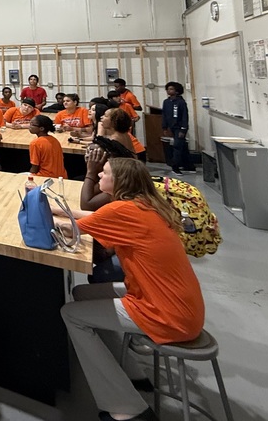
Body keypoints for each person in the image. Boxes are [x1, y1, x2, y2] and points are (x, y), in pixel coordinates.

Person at [57, 158, 204, 421]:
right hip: (180, 305)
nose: (99, 176)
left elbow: (70, 230)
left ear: (119, 181)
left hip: (166, 314)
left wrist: (43, 214)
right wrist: (57, 209)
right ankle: (129, 369)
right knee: (82, 294)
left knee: (71, 314)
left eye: (104, 173)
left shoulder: (123, 211)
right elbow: (92, 217)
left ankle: (126, 407)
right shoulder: (144, 206)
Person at [161, 81, 193, 174]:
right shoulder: (166, 102)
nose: (168, 91)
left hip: (180, 128)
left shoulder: (181, 102)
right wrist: (164, 127)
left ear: (177, 91)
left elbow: (184, 116)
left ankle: (175, 167)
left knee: (177, 146)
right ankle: (189, 166)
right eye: (168, 89)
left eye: (171, 89)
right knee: (183, 146)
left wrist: (183, 129)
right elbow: (164, 115)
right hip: (172, 127)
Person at [28, 115, 66, 179]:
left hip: (45, 177)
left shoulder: (35, 143)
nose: (29, 126)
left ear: (41, 128)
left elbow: (35, 167)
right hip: (61, 176)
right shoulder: (54, 140)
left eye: (32, 124)